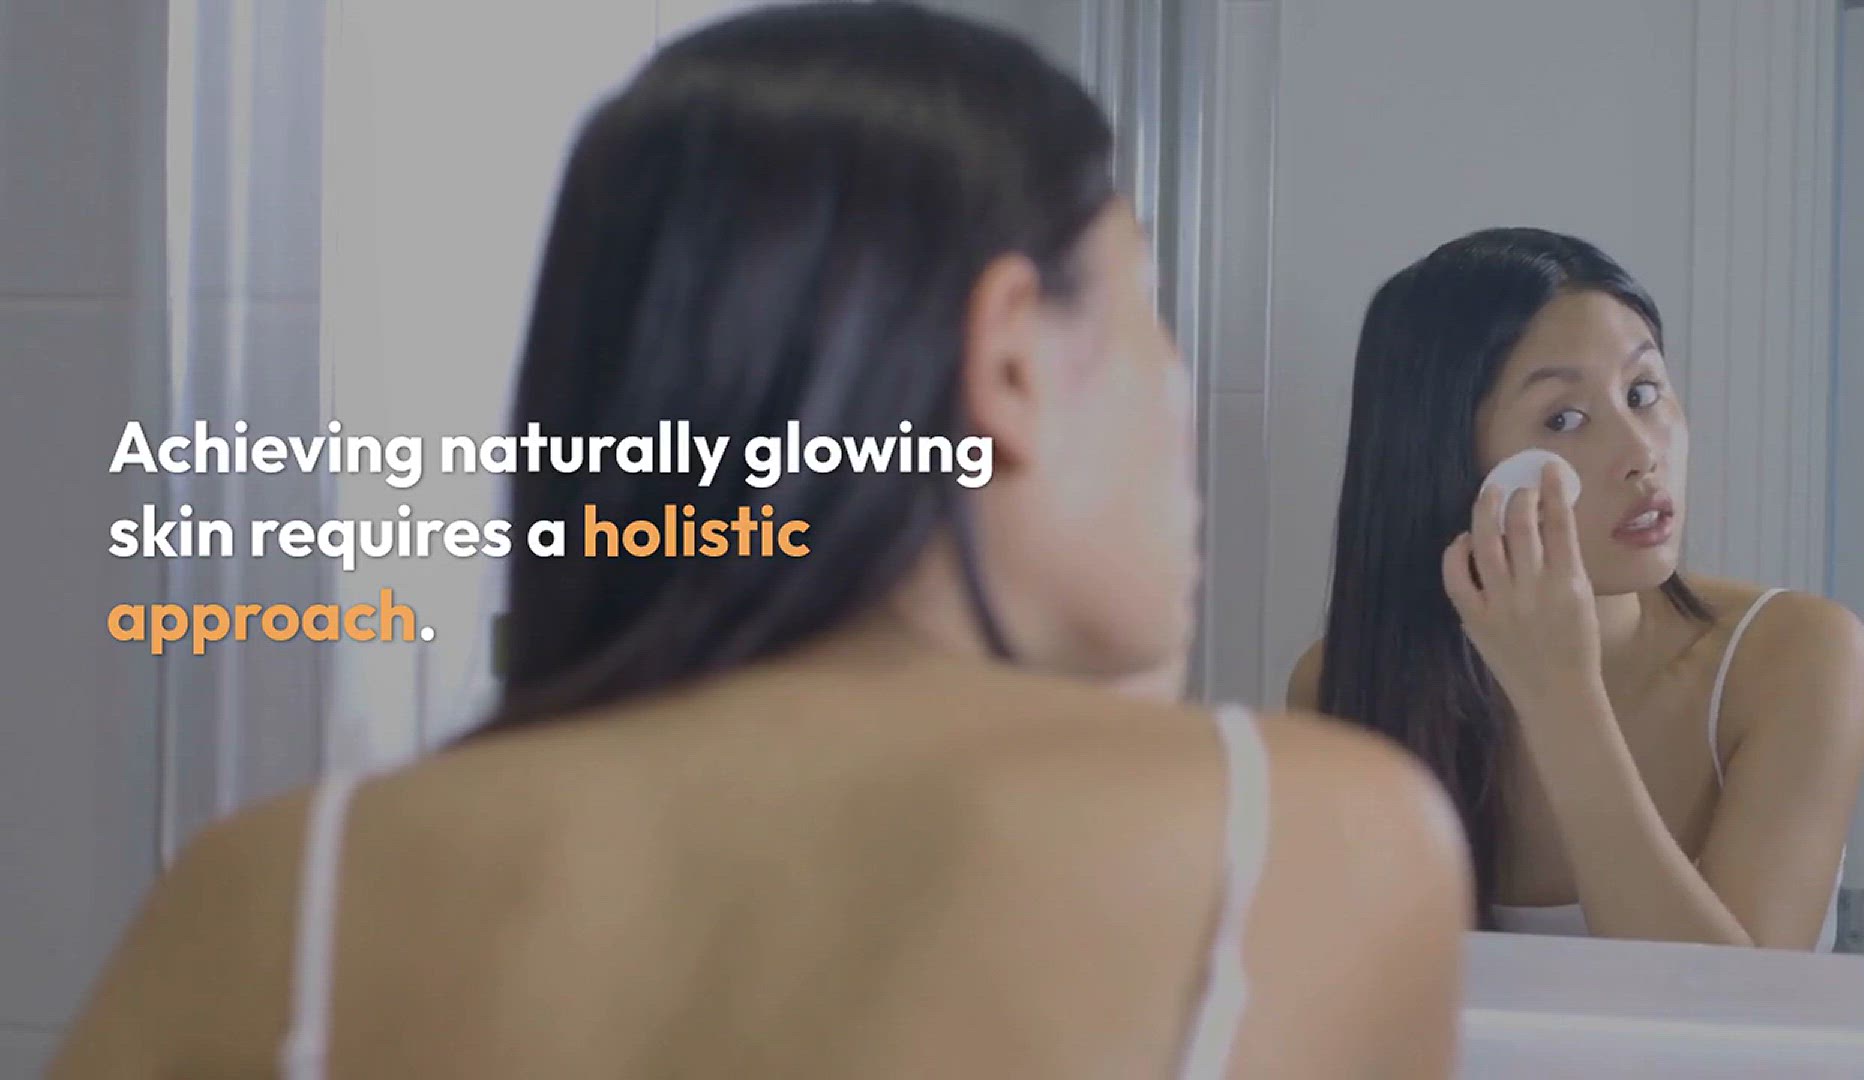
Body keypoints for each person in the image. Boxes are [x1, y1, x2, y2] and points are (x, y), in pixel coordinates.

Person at [52, 5, 1470, 1077]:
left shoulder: (273, 895)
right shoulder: (1303, 840)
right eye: (1146, 304)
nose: (1179, 389)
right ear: (1010, 363)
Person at [1289, 226, 1864, 952]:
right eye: (1564, 419)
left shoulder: (1801, 656)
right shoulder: (1341, 685)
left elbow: (1730, 1010)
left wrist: (1561, 697)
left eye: (1643, 392)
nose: (1641, 454)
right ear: (1448, 464)